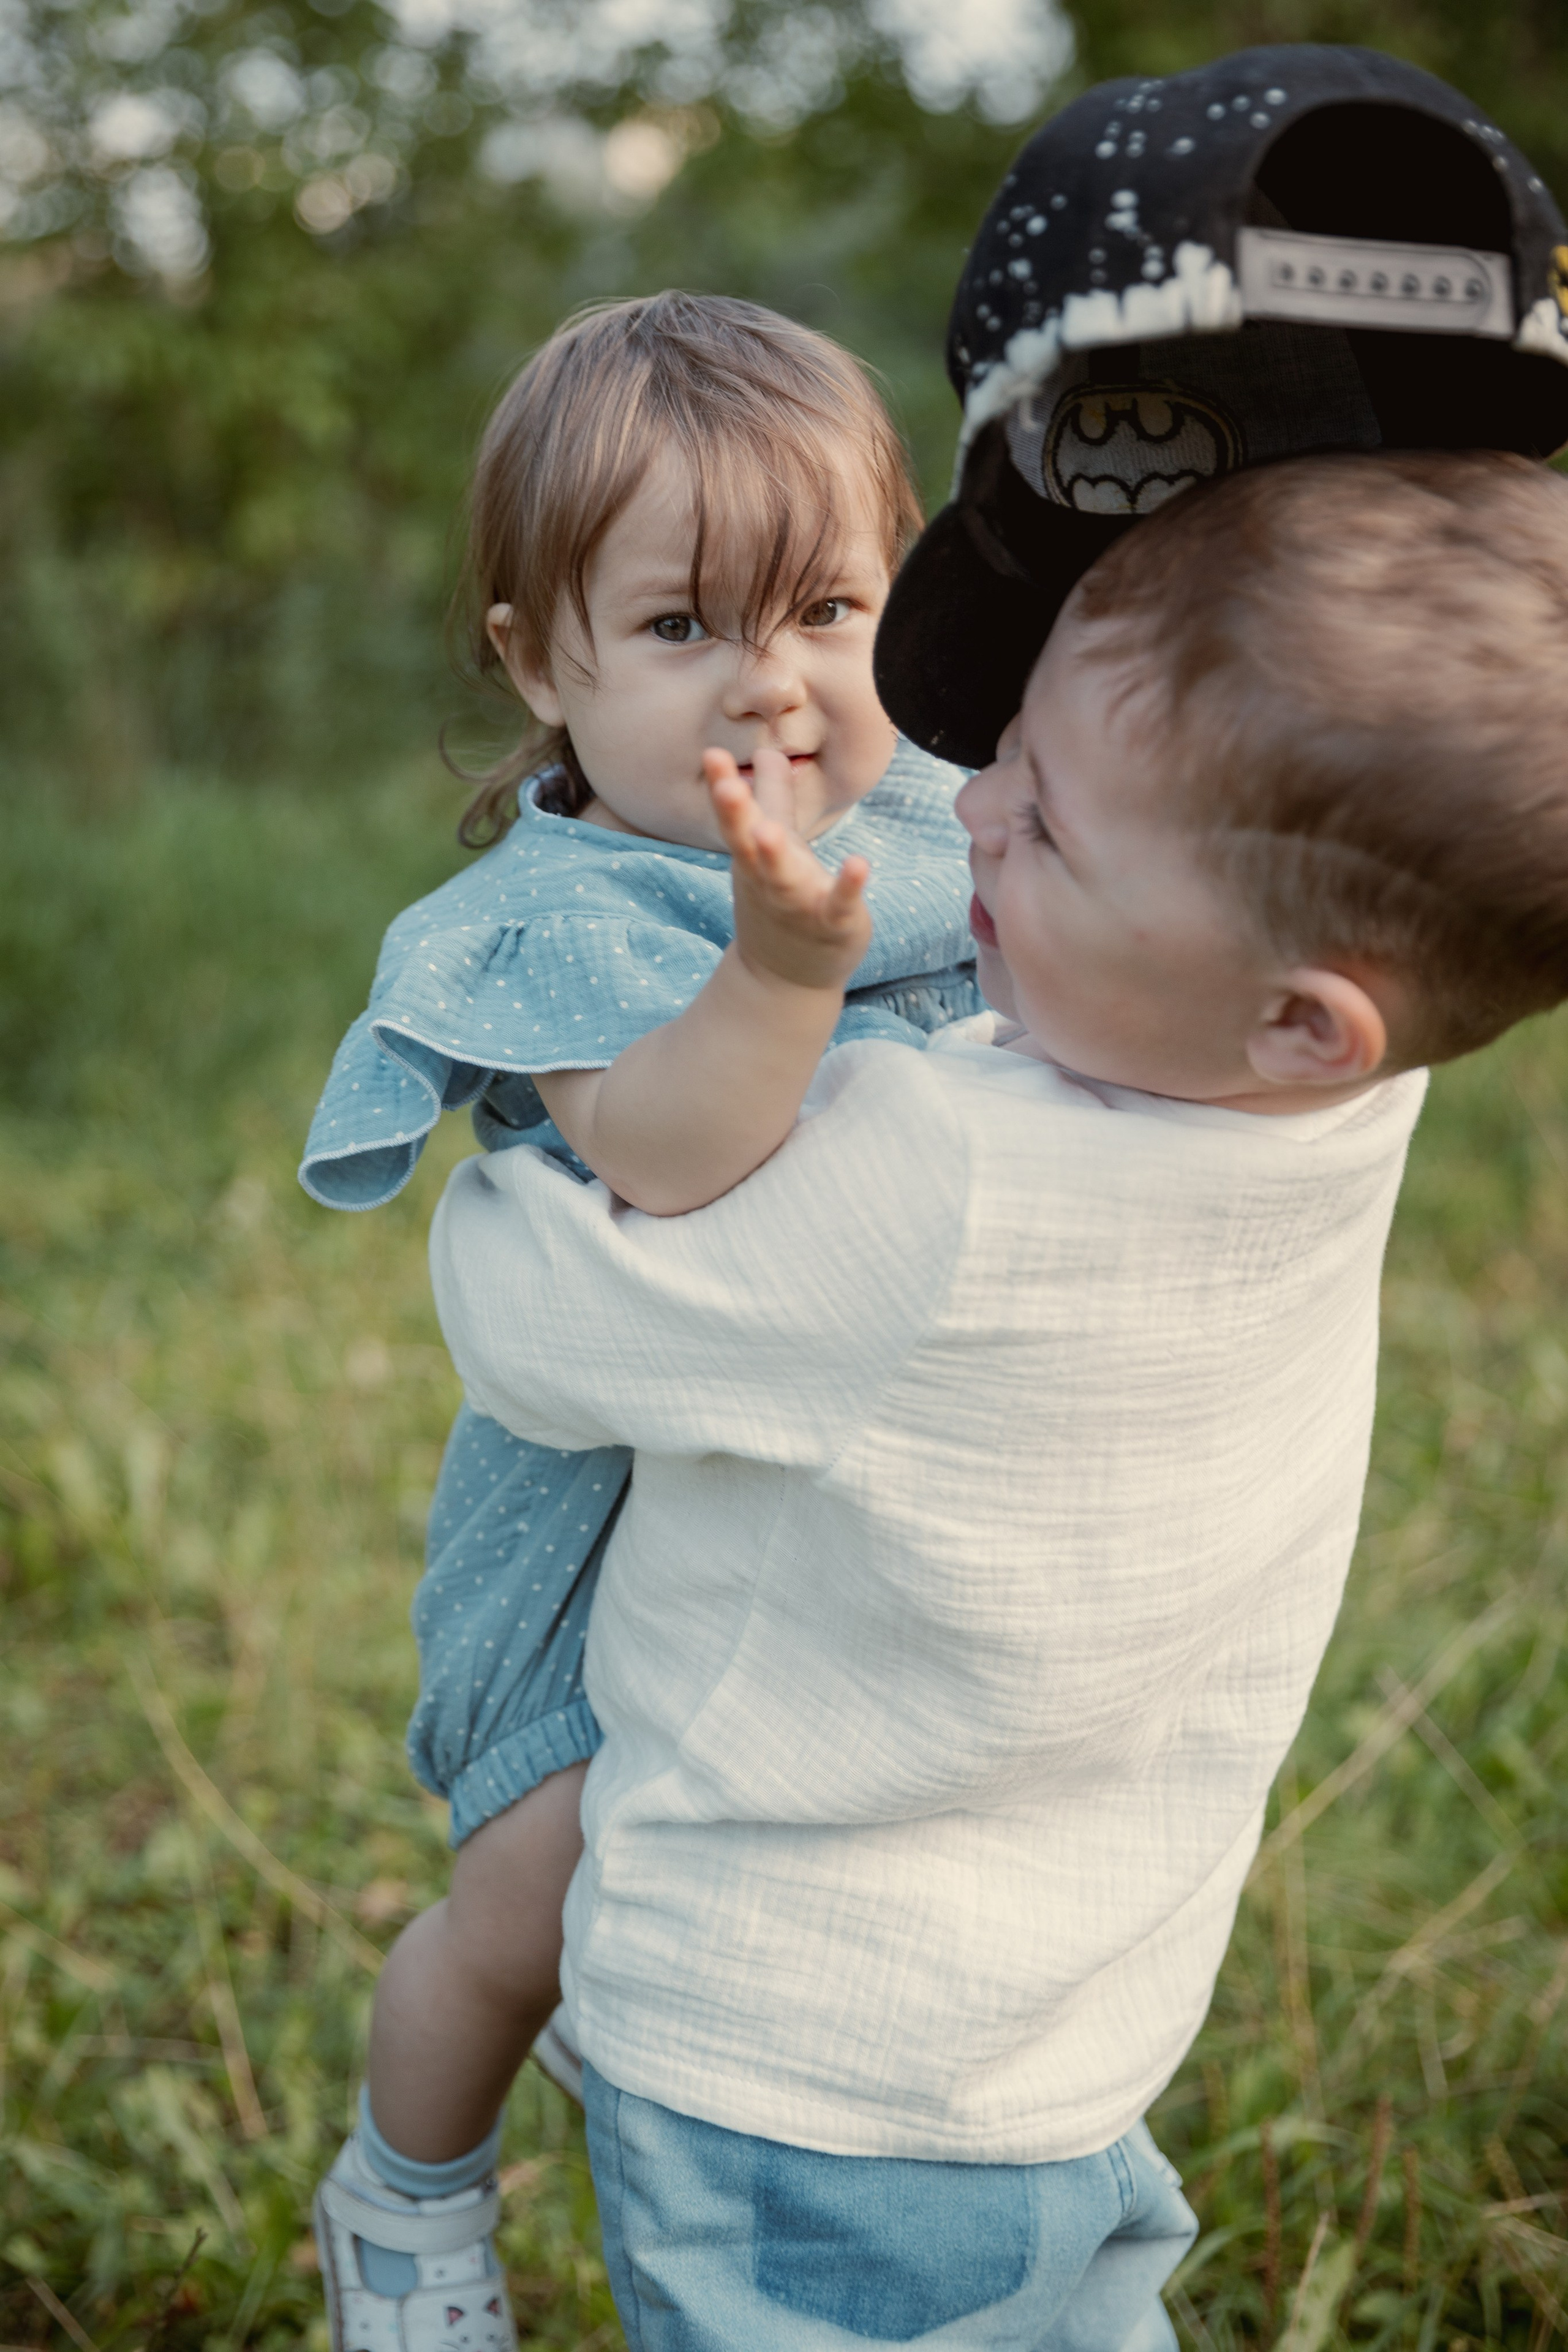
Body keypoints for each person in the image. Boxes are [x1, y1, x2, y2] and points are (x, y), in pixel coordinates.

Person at [428, 448, 1568, 2349]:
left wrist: (574, 1085)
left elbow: (528, 1312)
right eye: (1003, 760)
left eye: (1044, 830)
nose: (976, 827)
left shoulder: (922, 1174)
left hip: (794, 2052)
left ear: (1300, 1010)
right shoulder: (1353, 1105)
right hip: (1079, 2015)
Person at [302, 290, 987, 2344]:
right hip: (607, 1529)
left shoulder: (958, 810)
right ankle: (407, 2203)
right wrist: (777, 975)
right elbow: (672, 1161)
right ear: (540, 659)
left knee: (815, 1860)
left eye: (833, 612)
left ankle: (664, 2025)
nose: (776, 686)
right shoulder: (558, 913)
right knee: (532, 1896)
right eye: (686, 627)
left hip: (857, 1497)